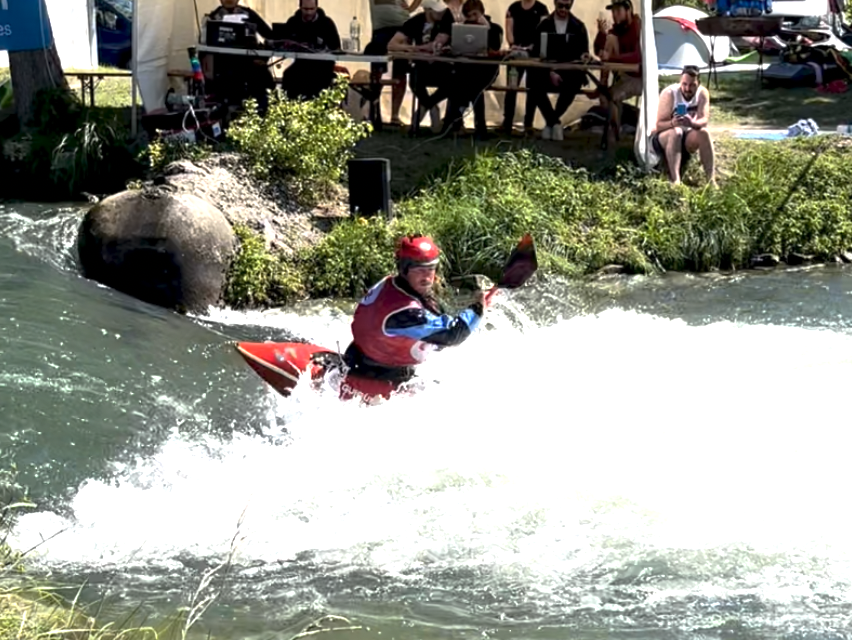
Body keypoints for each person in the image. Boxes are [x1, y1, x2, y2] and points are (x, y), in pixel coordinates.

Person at [342, 235, 487, 398]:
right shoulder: (404, 311)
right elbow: (452, 335)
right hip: (379, 378)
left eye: (431, 268)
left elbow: (431, 328)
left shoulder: (390, 283)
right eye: (419, 269)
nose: (427, 277)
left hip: (360, 359)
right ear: (404, 269)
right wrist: (478, 308)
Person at [433, 0, 504, 137]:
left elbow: (495, 48)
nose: (472, 19)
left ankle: (452, 123)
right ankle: (478, 128)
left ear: (482, 12)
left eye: (475, 14)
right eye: (469, 15)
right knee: (469, 84)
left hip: (486, 70)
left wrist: (486, 29)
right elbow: (455, 46)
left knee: (466, 84)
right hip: (466, 71)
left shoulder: (495, 28)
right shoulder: (461, 29)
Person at [529, 0, 590, 141]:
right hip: (546, 71)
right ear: (554, 3)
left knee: (576, 80)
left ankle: (551, 122)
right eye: (560, 5)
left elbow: (583, 51)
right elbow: (536, 53)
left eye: (567, 6)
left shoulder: (579, 26)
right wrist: (550, 71)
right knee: (532, 79)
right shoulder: (544, 25)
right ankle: (555, 123)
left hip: (569, 72)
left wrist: (584, 55)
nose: (563, 9)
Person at [387, 0, 449, 132]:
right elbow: (391, 45)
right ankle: (432, 107)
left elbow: (435, 45)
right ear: (427, 9)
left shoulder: (447, 19)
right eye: (436, 10)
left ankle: (425, 107)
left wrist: (415, 49)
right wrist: (415, 48)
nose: (441, 13)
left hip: (443, 64)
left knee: (453, 81)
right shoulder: (415, 21)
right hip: (421, 65)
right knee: (414, 79)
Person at [206, 0, 276, 114]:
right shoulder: (213, 17)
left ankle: (264, 115)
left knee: (264, 79)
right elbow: (205, 47)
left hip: (251, 65)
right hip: (225, 67)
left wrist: (263, 59)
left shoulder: (249, 14)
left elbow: (271, 36)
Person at [651, 65, 716, 186]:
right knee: (676, 132)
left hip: (686, 137)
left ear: (698, 84)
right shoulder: (670, 93)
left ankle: (711, 180)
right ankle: (675, 180)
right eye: (684, 84)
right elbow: (658, 125)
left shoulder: (703, 93)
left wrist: (692, 123)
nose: (687, 88)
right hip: (664, 137)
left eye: (692, 85)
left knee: (704, 133)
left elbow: (704, 120)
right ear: (680, 81)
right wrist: (672, 123)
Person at [366, 0, 422, 126]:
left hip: (401, 27)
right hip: (381, 28)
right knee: (377, 70)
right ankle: (374, 112)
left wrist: (411, 8)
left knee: (400, 72)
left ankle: (395, 115)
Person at [593, 0, 642, 137]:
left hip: (639, 78)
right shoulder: (616, 29)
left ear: (628, 11)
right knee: (605, 96)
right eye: (613, 11)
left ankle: (616, 135)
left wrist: (612, 58)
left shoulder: (638, 26)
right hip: (624, 75)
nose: (614, 15)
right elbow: (598, 52)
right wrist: (601, 33)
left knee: (611, 96)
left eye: (618, 11)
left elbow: (638, 56)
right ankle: (616, 130)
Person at [278, 0, 342, 101]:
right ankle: (289, 110)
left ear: (317, 7)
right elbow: (281, 41)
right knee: (289, 75)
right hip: (301, 64)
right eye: (305, 9)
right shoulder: (293, 22)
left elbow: (336, 46)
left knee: (314, 80)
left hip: (322, 66)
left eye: (311, 9)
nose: (308, 12)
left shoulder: (326, 23)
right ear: (300, 7)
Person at [502, 0, 549, 133]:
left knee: (532, 88)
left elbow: (544, 29)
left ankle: (528, 123)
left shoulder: (542, 9)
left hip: (534, 56)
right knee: (511, 87)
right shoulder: (513, 7)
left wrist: (534, 46)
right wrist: (512, 44)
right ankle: (507, 122)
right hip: (516, 54)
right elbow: (509, 29)